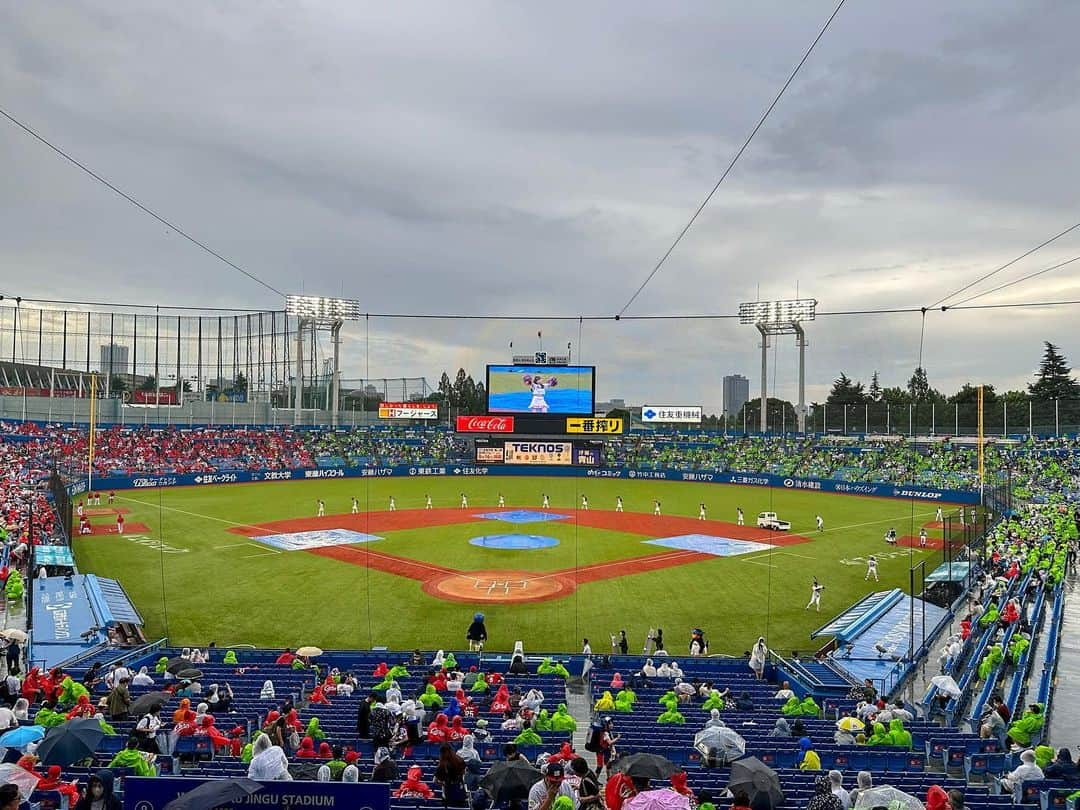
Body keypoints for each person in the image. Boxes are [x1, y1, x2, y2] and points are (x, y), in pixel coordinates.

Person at [435, 742, 468, 807]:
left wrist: (443, 783)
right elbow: (464, 773)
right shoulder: (460, 759)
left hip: (448, 793)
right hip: (460, 792)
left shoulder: (442, 765)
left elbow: (436, 780)